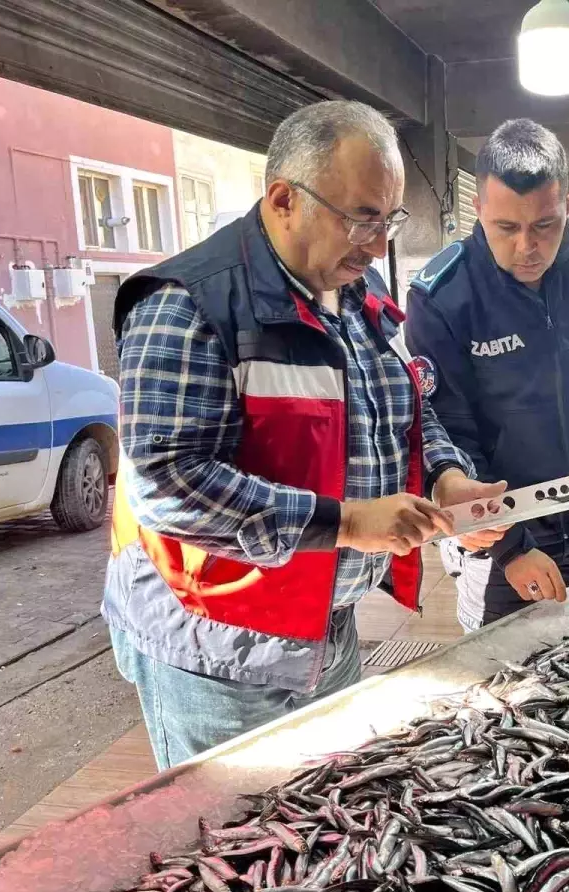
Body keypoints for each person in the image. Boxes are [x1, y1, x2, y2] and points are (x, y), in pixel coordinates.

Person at [102, 101, 507, 770]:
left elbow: (403, 405)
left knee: (325, 825)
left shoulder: (353, 285)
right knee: (237, 849)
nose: (378, 244)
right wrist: (345, 522)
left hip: (324, 623)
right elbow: (166, 485)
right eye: (360, 218)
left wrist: (446, 476)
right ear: (284, 199)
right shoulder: (188, 305)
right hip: (218, 649)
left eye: (388, 219)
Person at [405, 119, 569, 632]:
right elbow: (447, 433)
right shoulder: (443, 296)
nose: (528, 246)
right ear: (478, 208)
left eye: (545, 225)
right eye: (506, 227)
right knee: (502, 683)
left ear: (568, 205)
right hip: (503, 540)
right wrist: (510, 547)